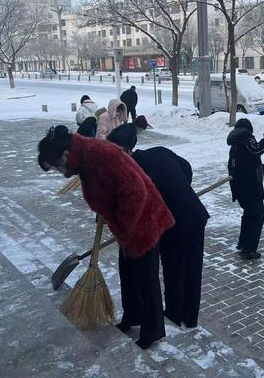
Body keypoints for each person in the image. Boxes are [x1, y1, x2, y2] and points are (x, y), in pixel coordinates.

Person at [37, 125, 174, 349]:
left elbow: (135, 192)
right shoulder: (84, 157)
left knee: (145, 279)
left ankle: (153, 330)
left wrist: (125, 226)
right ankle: (133, 317)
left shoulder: (101, 156)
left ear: (65, 155)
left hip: (143, 221)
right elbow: (105, 187)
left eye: (57, 166)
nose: (60, 172)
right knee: (128, 273)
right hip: (126, 226)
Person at [107, 124, 209, 328]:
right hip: (193, 214)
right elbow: (185, 167)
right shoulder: (158, 152)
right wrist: (180, 190)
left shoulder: (133, 172)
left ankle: (176, 314)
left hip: (178, 220)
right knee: (188, 268)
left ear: (126, 151)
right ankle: (184, 315)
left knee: (175, 267)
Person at [227, 118, 264, 260]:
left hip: (240, 187)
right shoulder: (246, 138)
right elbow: (255, 152)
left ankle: (243, 244)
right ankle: (249, 250)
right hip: (249, 187)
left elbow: (249, 162)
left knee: (248, 214)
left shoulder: (236, 144)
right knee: (257, 216)